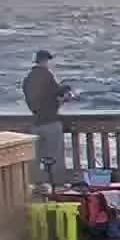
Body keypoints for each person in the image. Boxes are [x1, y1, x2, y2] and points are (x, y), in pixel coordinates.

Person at [22, 49, 74, 182]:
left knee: (35, 160)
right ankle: (56, 187)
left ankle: (37, 187)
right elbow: (56, 94)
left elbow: (39, 100)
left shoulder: (28, 79)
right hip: (50, 123)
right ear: (45, 61)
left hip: (35, 123)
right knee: (54, 159)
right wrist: (65, 96)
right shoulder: (47, 75)